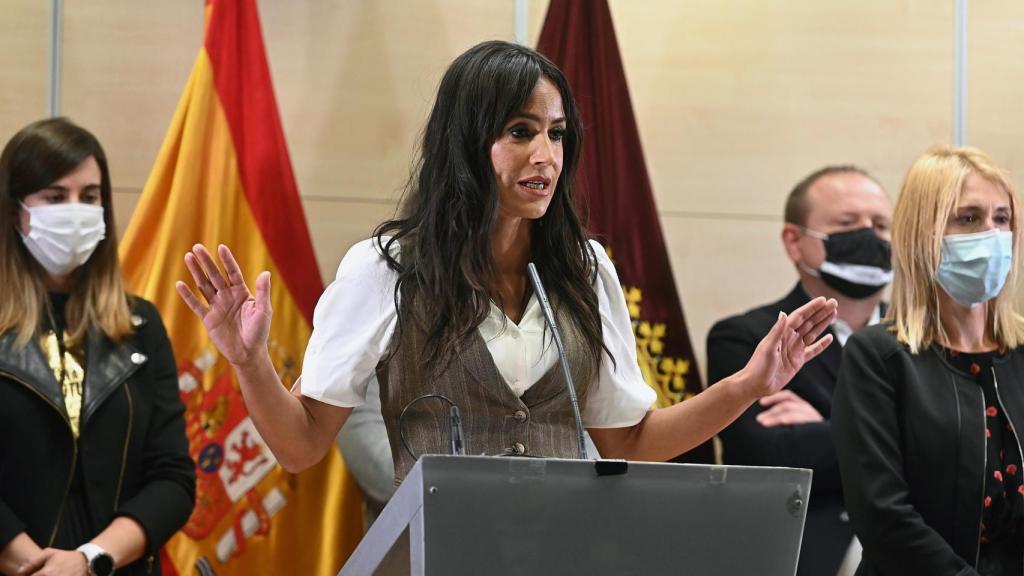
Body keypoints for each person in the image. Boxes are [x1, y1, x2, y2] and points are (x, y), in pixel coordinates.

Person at [176, 40, 836, 486]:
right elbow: (302, 445)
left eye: (556, 133)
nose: (545, 155)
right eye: (520, 132)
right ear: (467, 142)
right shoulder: (387, 267)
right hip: (438, 553)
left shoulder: (586, 268)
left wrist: (751, 383)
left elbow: (629, 441)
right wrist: (249, 361)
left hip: (567, 552)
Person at [0, 118, 195, 576]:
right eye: (54, 197)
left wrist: (88, 561)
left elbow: (173, 478)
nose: (76, 210)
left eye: (89, 197)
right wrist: (35, 565)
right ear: (15, 211)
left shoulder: (140, 326)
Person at [833, 147, 1024, 575]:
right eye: (969, 218)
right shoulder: (878, 357)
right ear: (924, 233)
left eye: (1002, 218)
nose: (992, 234)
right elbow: (883, 517)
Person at [707, 165, 892, 576]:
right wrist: (904, 436)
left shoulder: (924, 342)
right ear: (794, 241)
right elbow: (769, 454)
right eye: (848, 224)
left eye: (880, 225)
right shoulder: (749, 340)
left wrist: (829, 426)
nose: (869, 236)